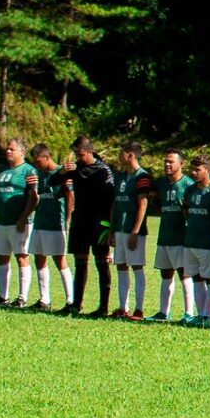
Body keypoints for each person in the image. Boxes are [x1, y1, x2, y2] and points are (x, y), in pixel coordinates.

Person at [64, 137, 115, 317]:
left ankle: (103, 307)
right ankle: (76, 305)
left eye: (80, 154)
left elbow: (111, 199)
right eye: (76, 154)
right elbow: (52, 182)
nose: (78, 158)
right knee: (80, 264)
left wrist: (110, 226)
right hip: (80, 222)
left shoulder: (103, 170)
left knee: (101, 263)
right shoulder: (75, 169)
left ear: (89, 152)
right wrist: (63, 172)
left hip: (100, 223)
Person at [0, 138, 39, 308]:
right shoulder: (2, 173)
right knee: (1, 258)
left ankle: (22, 297)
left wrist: (23, 218)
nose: (8, 152)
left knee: (21, 257)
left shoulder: (28, 171)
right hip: (2, 222)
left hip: (20, 223)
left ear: (21, 152)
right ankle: (3, 296)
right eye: (7, 149)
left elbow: (34, 198)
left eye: (12, 149)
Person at [180, 156, 210, 326]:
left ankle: (209, 316)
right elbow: (185, 210)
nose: (193, 173)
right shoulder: (190, 190)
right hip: (190, 241)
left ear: (207, 171)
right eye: (192, 169)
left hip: (209, 243)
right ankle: (200, 315)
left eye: (197, 170)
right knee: (197, 279)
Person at [110, 141, 153, 321]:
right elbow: (114, 203)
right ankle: (122, 307)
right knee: (121, 266)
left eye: (122, 153)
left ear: (130, 155)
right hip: (119, 228)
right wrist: (112, 229)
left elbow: (143, 205)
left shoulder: (142, 176)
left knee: (136, 267)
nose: (119, 156)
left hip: (133, 231)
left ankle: (139, 309)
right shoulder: (119, 176)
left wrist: (135, 231)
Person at [148, 151, 193, 323]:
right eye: (165, 161)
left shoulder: (188, 185)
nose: (167, 164)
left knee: (184, 274)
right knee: (165, 274)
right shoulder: (162, 184)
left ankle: (189, 313)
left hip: (181, 238)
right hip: (164, 236)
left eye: (171, 162)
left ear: (181, 164)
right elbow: (159, 205)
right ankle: (163, 312)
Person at [29, 144, 74, 311]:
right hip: (40, 222)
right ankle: (44, 300)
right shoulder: (39, 174)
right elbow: (37, 198)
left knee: (59, 259)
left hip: (56, 223)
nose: (36, 164)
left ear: (47, 157)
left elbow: (70, 197)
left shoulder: (62, 173)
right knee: (39, 258)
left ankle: (71, 300)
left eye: (38, 161)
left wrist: (67, 220)